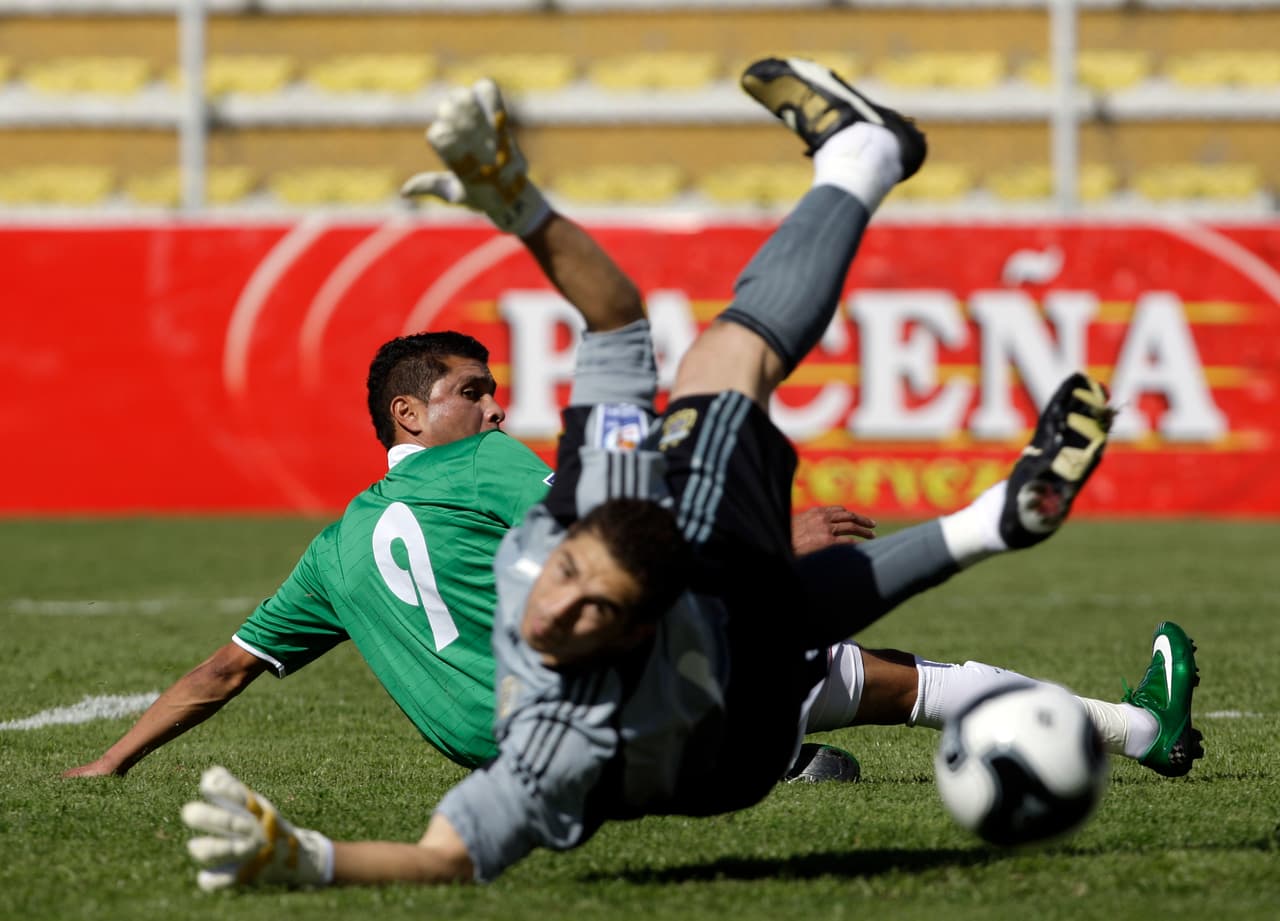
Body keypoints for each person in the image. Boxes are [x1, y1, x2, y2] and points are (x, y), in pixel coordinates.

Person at [178, 57, 1201, 891]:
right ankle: (864, 157)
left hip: (723, 745)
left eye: (584, 604)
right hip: (718, 703)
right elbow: (617, 322)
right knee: (730, 366)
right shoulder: (577, 535)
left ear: (627, 628)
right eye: (571, 576)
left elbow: (442, 857)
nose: (553, 605)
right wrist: (520, 207)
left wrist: (307, 858)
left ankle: (987, 526)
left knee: (797, 619)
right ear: (576, 539)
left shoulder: (551, 723)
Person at [62, 123, 873, 780]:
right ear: (407, 413)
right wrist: (773, 548)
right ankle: (953, 695)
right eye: (474, 390)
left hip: (492, 759)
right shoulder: (488, 462)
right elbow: (625, 541)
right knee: (783, 632)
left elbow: (220, 673)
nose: (496, 405)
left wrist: (111, 761)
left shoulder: (332, 551)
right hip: (578, 716)